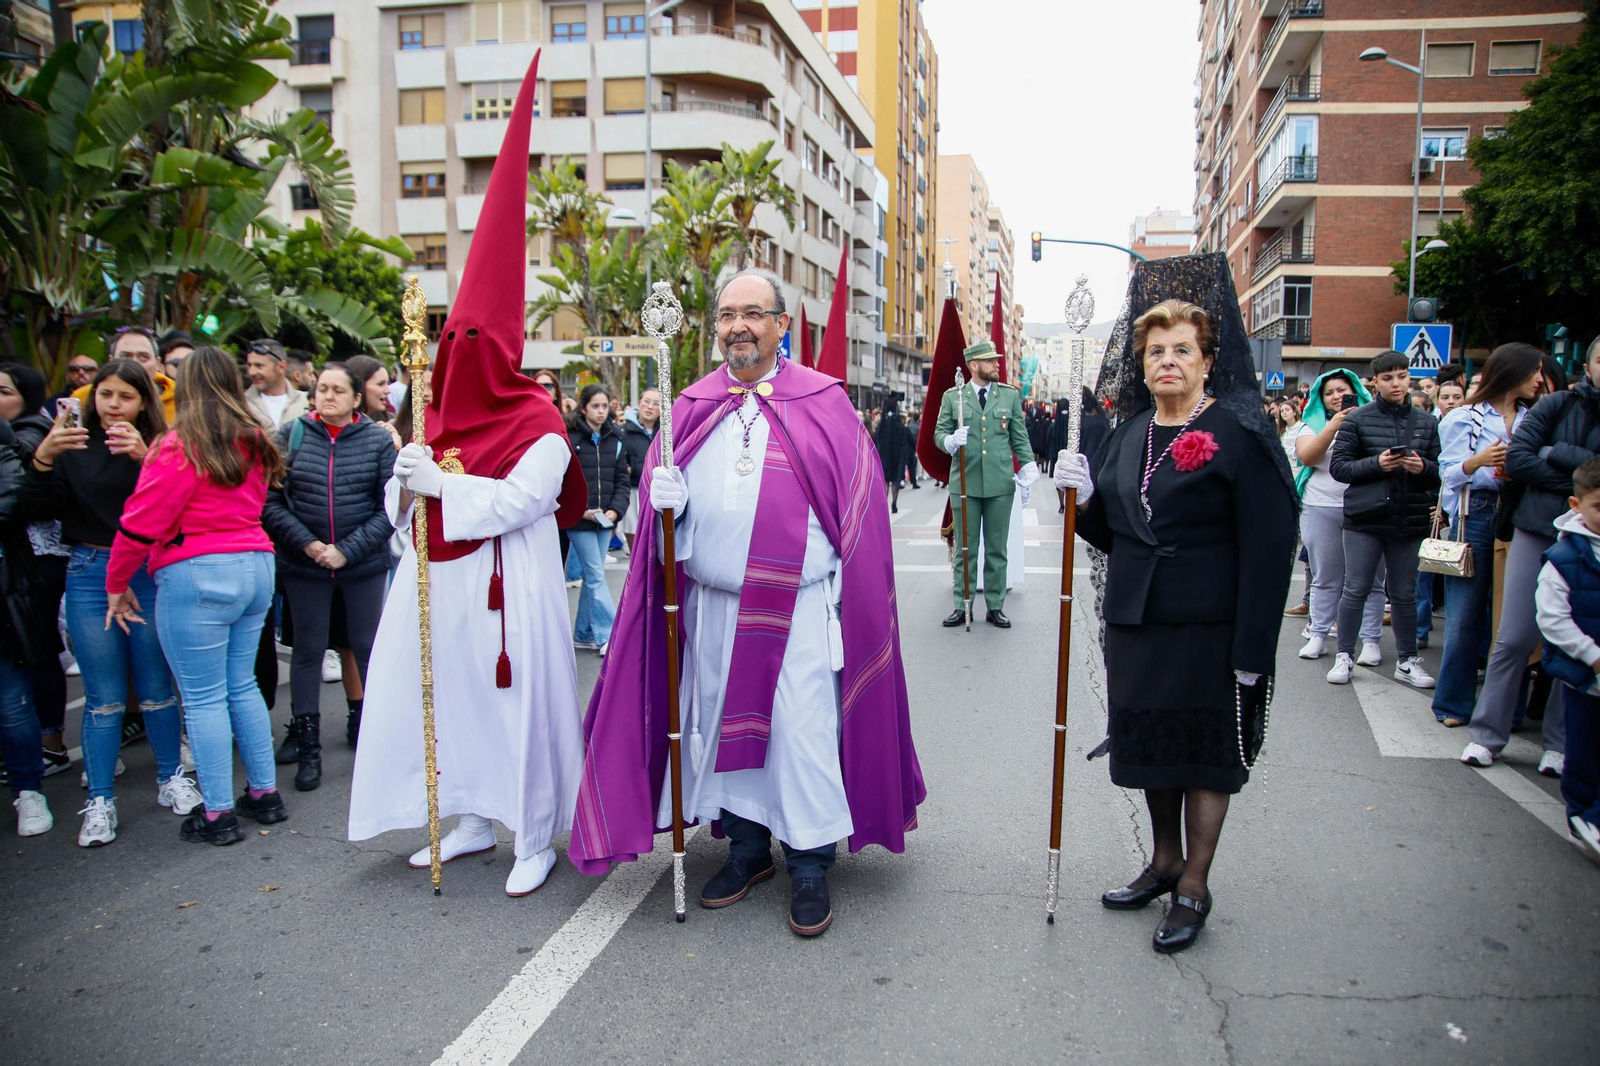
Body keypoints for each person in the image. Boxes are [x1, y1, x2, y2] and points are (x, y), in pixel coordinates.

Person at [571, 267, 925, 938]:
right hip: (714, 607)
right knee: (721, 733)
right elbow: (653, 534)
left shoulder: (824, 402)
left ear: (781, 325)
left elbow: (859, 515)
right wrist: (661, 509)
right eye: (728, 314)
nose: (739, 325)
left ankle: (811, 860)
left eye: (754, 313)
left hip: (798, 611)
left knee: (800, 733)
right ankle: (746, 847)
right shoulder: (690, 408)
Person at [348, 59, 590, 898]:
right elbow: (396, 506)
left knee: (512, 714)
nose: (462, 362)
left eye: (476, 348)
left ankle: (533, 832)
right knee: (448, 704)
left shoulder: (541, 424)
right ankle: (470, 819)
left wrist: (443, 487)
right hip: (434, 578)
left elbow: (524, 502)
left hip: (506, 587)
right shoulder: (431, 416)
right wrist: (406, 479)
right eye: (455, 346)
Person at [1053, 256, 1297, 954]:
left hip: (1208, 625)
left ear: (1208, 361)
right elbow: (1110, 533)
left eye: (1181, 350)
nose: (1167, 361)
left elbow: (1270, 547)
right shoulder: (1129, 432)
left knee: (1203, 753)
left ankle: (1194, 882)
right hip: (1136, 622)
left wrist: (1254, 652)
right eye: (1155, 351)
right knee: (1152, 746)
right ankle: (1161, 861)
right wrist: (1084, 497)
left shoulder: (1239, 436)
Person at [106, 346, 288, 844]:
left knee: (204, 699)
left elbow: (141, 523)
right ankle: (264, 794)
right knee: (241, 685)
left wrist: (116, 584)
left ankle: (217, 813)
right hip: (255, 563)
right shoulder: (253, 440)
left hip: (199, 570)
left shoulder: (179, 444)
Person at [23, 359, 201, 845]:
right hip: (89, 573)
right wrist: (43, 457)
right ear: (90, 397)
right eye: (105, 395)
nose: (113, 405)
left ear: (144, 401)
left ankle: (171, 779)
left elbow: (181, 505)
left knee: (157, 687)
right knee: (103, 699)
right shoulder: (70, 445)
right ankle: (100, 800)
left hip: (146, 570)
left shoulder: (163, 446)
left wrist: (147, 457)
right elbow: (37, 508)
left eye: (125, 396)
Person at [261, 363, 397, 790]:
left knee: (368, 649)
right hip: (306, 565)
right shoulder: (291, 436)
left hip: (362, 566)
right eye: (322, 389)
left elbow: (390, 507)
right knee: (307, 652)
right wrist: (311, 545)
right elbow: (270, 502)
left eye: (339, 390)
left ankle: (380, 746)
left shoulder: (377, 441)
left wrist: (347, 551)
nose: (328, 396)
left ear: (356, 399)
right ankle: (308, 750)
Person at [1464, 341, 1598, 772]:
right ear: (1588, 365)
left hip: (1592, 542)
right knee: (1514, 636)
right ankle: (1487, 736)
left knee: (1577, 641)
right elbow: (1518, 460)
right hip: (1536, 528)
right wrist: (1580, 484)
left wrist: (1557, 454)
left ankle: (1560, 744)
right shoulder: (1556, 404)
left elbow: (1540, 457)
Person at [1431, 345, 1543, 728]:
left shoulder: (1535, 418)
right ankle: (1453, 705)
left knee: (1511, 621)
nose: (1540, 380)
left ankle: (1506, 711)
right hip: (1475, 514)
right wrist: (1477, 462)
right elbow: (1446, 474)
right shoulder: (1464, 416)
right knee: (1464, 619)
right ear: (1513, 373)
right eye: (1534, 372)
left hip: (1518, 515)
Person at [1326, 351, 1441, 688]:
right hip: (1365, 518)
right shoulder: (1357, 419)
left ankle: (1406, 660)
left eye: (1402, 376)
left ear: (1410, 379)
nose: (1396, 383)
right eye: (1388, 377)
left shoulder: (1426, 422)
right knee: (1356, 587)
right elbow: (1340, 468)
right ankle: (1345, 655)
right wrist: (1378, 463)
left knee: (1405, 592)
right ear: (1375, 381)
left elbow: (1440, 474)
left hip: (1410, 518)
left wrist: (1423, 469)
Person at [934, 341, 1039, 629]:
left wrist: (1028, 466)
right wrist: (950, 441)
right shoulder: (953, 397)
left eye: (996, 360)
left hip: (1000, 483)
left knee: (996, 549)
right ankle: (961, 604)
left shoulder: (1008, 396)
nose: (997, 365)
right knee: (965, 549)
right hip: (964, 482)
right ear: (973, 366)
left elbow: (1019, 436)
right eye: (990, 361)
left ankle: (994, 606)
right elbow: (938, 434)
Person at [0, 363, 70, 775]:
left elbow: (20, 501)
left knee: (40, 651)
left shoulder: (30, 432)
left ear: (26, 396)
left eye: (5, 390)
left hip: (40, 559)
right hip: (18, 560)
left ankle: (50, 740)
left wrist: (37, 453)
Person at [1293, 370, 1387, 662]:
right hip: (1322, 506)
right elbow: (1307, 457)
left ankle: (1370, 639)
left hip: (1368, 506)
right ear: (1321, 398)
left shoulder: (1375, 421)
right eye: (1329, 392)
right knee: (1325, 576)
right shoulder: (1311, 425)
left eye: (1342, 391)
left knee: (1370, 579)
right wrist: (1333, 426)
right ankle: (1319, 634)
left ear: (1356, 392)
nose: (1336, 397)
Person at [1534, 456, 1600, 864]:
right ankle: (1584, 815)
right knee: (1585, 749)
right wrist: (1592, 656)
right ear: (1577, 506)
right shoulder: (1563, 559)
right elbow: (1552, 619)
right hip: (1586, 674)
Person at [0, 424, 57, 838]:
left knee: (12, 704)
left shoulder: (4, 451)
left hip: (5, 597)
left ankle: (28, 789)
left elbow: (13, 503)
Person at [566, 384, 630, 656]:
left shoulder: (615, 439)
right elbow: (563, 482)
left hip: (605, 521)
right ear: (583, 408)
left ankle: (582, 634)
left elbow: (622, 481)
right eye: (595, 406)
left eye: (605, 406)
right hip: (580, 520)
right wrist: (580, 511)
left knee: (593, 576)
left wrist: (616, 510)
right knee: (594, 573)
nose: (601, 411)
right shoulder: (571, 439)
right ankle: (609, 635)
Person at [71, 328, 177, 424]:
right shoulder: (82, 397)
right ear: (111, 361)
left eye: (143, 357)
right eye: (126, 356)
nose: (135, 364)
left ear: (158, 364)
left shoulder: (180, 398)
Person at [619, 388, 659, 555]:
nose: (649, 407)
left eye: (656, 403)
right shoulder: (623, 431)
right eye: (646, 401)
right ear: (638, 404)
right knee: (634, 538)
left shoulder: (667, 432)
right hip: (633, 489)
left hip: (657, 492)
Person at [244, 339, 310, 431]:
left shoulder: (306, 402)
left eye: (259, 366)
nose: (251, 372)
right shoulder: (240, 404)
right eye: (249, 365)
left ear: (281, 366)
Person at [874, 397, 909, 513]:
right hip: (896, 457)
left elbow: (876, 442)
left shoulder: (881, 426)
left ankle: (884, 503)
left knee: (885, 481)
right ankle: (894, 502)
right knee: (895, 481)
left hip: (883, 457)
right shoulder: (900, 426)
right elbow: (904, 445)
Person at [344, 355, 394, 423]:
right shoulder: (333, 423)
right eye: (380, 384)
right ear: (360, 385)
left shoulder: (390, 422)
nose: (388, 391)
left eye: (387, 384)